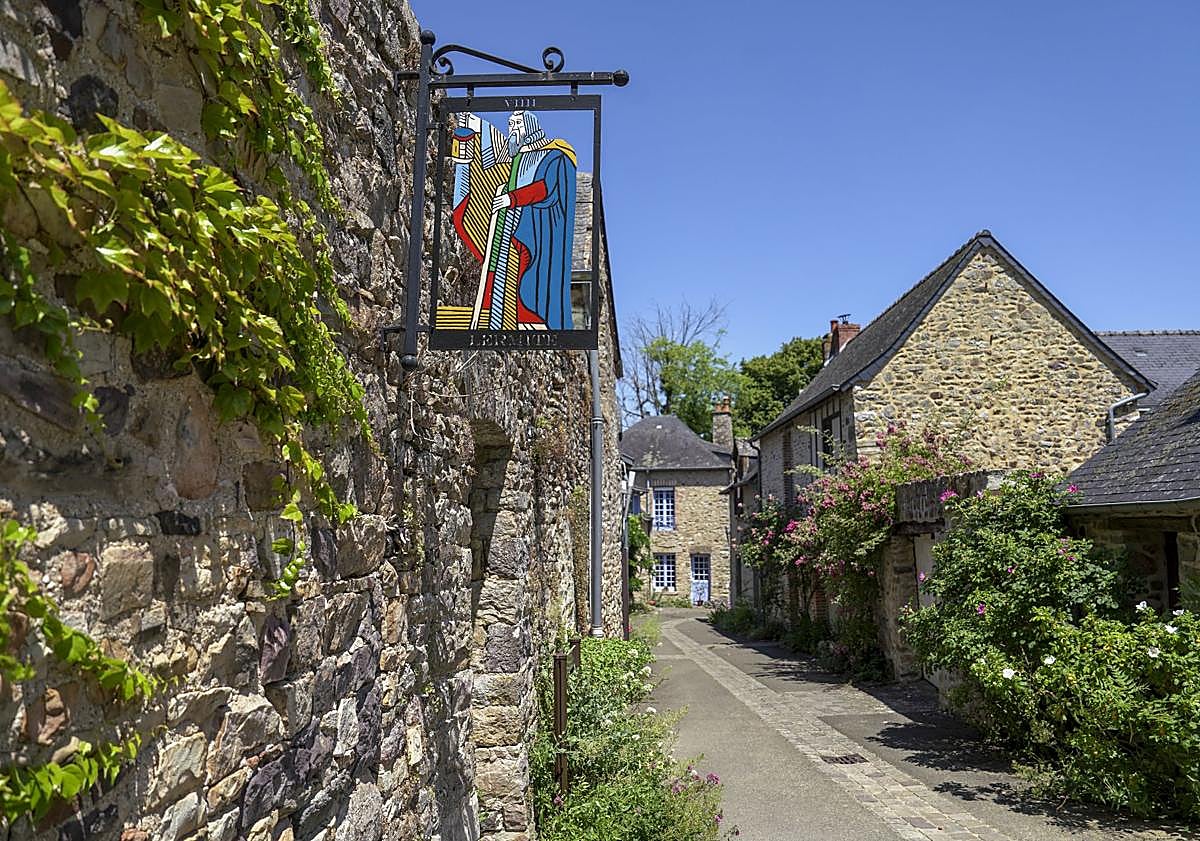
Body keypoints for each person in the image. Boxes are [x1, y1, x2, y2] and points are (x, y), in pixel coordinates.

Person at [449, 110, 577, 331]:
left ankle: (532, 316)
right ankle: (500, 316)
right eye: (510, 123)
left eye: (518, 123)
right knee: (502, 268)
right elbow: (495, 160)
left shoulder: (554, 155)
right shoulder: (518, 155)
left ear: (530, 125)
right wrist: (478, 126)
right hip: (510, 220)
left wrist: (512, 198)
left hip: (536, 228)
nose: (512, 128)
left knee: (528, 271)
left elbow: (545, 188)